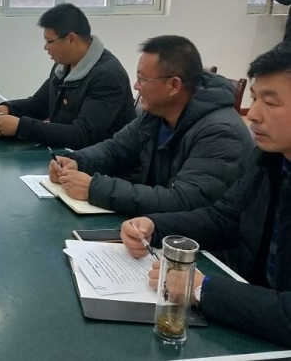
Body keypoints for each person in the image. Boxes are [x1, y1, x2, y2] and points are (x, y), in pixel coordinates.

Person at [121, 43, 291, 347]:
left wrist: (202, 288)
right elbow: (224, 218)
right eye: (254, 98)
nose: (253, 114)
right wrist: (155, 226)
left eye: (270, 102)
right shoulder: (270, 160)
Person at [49, 35, 254, 216]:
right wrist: (77, 161)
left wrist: (95, 189)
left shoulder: (220, 133)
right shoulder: (157, 114)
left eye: (142, 79)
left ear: (173, 85)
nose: (136, 86)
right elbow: (116, 149)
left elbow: (183, 200)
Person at [0, 3, 135, 148]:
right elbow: (41, 103)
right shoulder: (64, 65)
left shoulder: (108, 76)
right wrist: (8, 108)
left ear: (71, 39)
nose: (46, 47)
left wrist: (21, 127)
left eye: (49, 41)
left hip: (103, 165)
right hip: (69, 156)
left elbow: (82, 135)